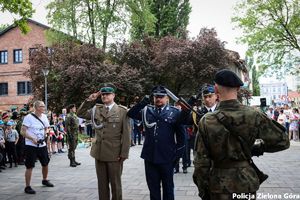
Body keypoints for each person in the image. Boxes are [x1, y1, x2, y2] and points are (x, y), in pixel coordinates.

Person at [193, 69, 290, 200]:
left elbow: (200, 162)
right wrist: (257, 148)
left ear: (216, 90)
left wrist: (203, 189)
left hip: (218, 185)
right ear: (238, 88)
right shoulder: (254, 115)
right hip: (245, 183)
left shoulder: (207, 120)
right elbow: (283, 141)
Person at [127, 85, 185, 200]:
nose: (158, 99)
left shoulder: (175, 113)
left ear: (167, 98)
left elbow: (181, 137)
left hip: (167, 157)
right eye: (156, 97)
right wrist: (143, 102)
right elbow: (131, 114)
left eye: (161, 97)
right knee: (153, 188)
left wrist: (177, 156)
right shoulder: (146, 111)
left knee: (168, 188)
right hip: (150, 156)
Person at [77, 83, 131, 200]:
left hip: (114, 154)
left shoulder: (122, 111)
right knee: (102, 184)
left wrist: (124, 154)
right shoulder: (96, 109)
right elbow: (80, 113)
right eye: (103, 94)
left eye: (107, 94)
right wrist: (89, 100)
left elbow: (126, 135)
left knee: (115, 184)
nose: (104, 96)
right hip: (99, 152)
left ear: (113, 95)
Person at [20, 100, 54, 194]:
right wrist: (32, 138)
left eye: (44, 106)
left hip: (42, 144)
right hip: (31, 145)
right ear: (37, 108)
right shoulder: (28, 118)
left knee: (45, 163)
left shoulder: (44, 117)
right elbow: (22, 131)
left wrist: (47, 136)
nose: (44, 108)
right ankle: (27, 187)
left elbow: (47, 128)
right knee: (30, 166)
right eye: (42, 106)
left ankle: (45, 180)